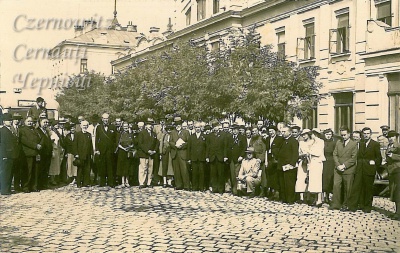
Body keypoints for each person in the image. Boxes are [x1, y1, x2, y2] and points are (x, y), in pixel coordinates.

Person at [347, 127, 381, 212]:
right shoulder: (360, 144)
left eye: (367, 133)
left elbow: (379, 158)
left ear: (370, 134)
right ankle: (356, 205)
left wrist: (374, 162)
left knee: (368, 188)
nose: (366, 135)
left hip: (369, 169)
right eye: (364, 133)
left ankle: (367, 206)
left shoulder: (375, 144)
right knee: (357, 187)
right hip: (359, 169)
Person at [330, 126, 358, 211]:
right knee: (336, 186)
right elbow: (334, 154)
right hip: (338, 169)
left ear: (349, 134)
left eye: (345, 135)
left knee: (347, 188)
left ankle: (346, 204)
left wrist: (344, 165)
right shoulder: (338, 142)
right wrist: (338, 165)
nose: (343, 137)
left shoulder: (353, 144)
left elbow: (353, 158)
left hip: (348, 169)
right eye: (342, 135)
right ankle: (336, 204)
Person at [277, 126, 299, 204]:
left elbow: (295, 154)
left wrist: (291, 164)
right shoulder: (282, 141)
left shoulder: (293, 141)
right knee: (282, 183)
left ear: (289, 132)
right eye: (282, 132)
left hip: (289, 166)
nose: (282, 133)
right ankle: (284, 198)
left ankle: (290, 199)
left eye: (284, 131)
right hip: (281, 165)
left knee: (289, 183)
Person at [19, 116, 41, 192]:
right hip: (27, 153)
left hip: (36, 153)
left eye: (31, 121)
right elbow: (24, 140)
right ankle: (25, 187)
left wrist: (40, 145)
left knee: (35, 171)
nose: (30, 123)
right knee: (28, 171)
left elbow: (40, 138)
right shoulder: (22, 130)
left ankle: (34, 186)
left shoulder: (35, 130)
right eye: (28, 121)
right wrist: (35, 146)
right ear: (25, 122)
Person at [95, 113, 117, 188]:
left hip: (110, 150)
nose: (105, 120)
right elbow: (96, 139)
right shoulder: (98, 127)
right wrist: (97, 149)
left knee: (110, 166)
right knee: (102, 166)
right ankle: (102, 182)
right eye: (104, 118)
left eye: (107, 118)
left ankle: (111, 182)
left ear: (109, 119)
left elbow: (116, 139)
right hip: (102, 149)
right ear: (102, 119)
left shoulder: (113, 127)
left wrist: (114, 149)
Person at [0, 114, 19, 195]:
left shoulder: (10, 130)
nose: (10, 121)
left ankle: (7, 189)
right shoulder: (2, 131)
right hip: (6, 156)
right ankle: (4, 190)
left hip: (12, 155)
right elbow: (2, 144)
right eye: (8, 120)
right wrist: (4, 155)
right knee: (5, 173)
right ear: (4, 122)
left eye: (11, 120)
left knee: (10, 173)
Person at [169, 117, 190, 190]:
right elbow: (170, 142)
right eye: (176, 124)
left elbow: (188, 142)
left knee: (184, 170)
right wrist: (175, 145)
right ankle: (179, 185)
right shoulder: (172, 132)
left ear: (181, 124)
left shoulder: (186, 132)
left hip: (183, 153)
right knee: (176, 170)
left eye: (179, 124)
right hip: (175, 153)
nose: (178, 125)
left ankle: (186, 185)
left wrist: (182, 146)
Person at [206, 121, 228, 194]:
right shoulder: (210, 135)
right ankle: (215, 188)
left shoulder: (223, 135)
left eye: (217, 126)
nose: (215, 128)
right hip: (212, 157)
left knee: (220, 173)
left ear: (219, 126)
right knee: (213, 173)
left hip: (220, 157)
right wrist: (207, 156)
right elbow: (208, 147)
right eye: (214, 126)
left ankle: (221, 189)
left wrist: (225, 156)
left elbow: (225, 146)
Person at [137, 119, 158, 188]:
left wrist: (154, 150)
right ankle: (142, 182)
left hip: (151, 154)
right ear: (146, 126)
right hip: (144, 153)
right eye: (149, 125)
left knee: (150, 169)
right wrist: (147, 150)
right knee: (143, 168)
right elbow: (140, 144)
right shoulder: (142, 133)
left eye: (151, 125)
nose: (150, 126)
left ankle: (149, 182)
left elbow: (157, 143)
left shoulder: (154, 134)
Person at [307, 129, 325, 207]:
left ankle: (319, 199)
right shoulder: (312, 142)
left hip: (317, 162)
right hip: (312, 163)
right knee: (313, 181)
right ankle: (315, 199)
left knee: (318, 181)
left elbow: (317, 153)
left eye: (312, 134)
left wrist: (309, 151)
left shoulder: (320, 141)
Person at [226, 123, 246, 196]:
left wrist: (241, 156)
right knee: (232, 174)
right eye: (233, 130)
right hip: (231, 158)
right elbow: (227, 147)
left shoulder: (242, 137)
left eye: (236, 130)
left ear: (238, 130)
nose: (234, 131)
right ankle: (234, 189)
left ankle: (238, 190)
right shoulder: (229, 137)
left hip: (238, 159)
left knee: (238, 174)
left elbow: (244, 148)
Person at [265, 125, 284, 200]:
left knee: (276, 177)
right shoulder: (267, 139)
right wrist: (266, 161)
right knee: (270, 177)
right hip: (270, 159)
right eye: (269, 131)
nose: (271, 133)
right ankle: (271, 192)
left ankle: (277, 194)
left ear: (275, 131)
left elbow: (281, 150)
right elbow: (267, 150)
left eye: (272, 131)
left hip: (276, 160)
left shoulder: (279, 139)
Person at [187, 122, 207, 191]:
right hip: (194, 158)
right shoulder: (191, 137)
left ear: (201, 128)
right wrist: (189, 158)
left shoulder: (204, 136)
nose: (197, 129)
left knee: (202, 173)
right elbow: (189, 148)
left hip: (202, 157)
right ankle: (194, 187)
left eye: (199, 127)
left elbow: (207, 147)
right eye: (196, 127)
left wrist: (206, 157)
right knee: (194, 173)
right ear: (194, 128)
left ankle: (201, 187)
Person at [386, 130, 400, 220]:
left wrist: (393, 156)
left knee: (398, 192)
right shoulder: (389, 146)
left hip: (398, 170)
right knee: (394, 192)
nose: (391, 138)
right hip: (391, 171)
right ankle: (396, 211)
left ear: (396, 137)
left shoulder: (398, 146)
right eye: (389, 137)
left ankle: (398, 213)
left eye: (392, 137)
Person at [74, 120, 93, 188]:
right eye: (83, 125)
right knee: (80, 169)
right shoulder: (77, 134)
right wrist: (76, 153)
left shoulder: (89, 134)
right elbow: (75, 144)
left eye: (86, 126)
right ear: (81, 126)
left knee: (87, 169)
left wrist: (91, 153)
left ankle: (86, 182)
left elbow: (90, 145)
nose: (85, 127)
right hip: (80, 154)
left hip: (87, 154)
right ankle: (79, 183)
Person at [295, 129, 312, 203]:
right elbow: (299, 153)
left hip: (310, 162)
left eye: (305, 134)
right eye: (303, 135)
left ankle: (308, 197)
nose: (304, 136)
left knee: (309, 179)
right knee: (301, 178)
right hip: (303, 162)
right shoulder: (301, 143)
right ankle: (301, 197)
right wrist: (302, 156)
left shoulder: (312, 142)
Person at [36, 118, 53, 190]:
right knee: (40, 169)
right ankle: (39, 184)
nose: (46, 124)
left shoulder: (47, 131)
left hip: (47, 154)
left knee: (46, 169)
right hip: (41, 153)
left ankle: (44, 184)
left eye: (47, 122)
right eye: (44, 122)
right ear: (40, 123)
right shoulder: (37, 131)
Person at [116, 122, 134, 188]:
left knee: (128, 166)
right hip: (122, 152)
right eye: (124, 126)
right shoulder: (120, 134)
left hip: (128, 152)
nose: (126, 128)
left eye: (127, 126)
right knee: (122, 167)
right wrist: (123, 148)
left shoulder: (130, 134)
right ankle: (123, 182)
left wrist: (130, 147)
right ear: (122, 127)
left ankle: (127, 182)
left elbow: (133, 143)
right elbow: (118, 143)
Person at [249, 127, 266, 196]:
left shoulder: (262, 139)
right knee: (254, 175)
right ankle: (255, 191)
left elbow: (264, 150)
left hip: (261, 160)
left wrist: (260, 159)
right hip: (254, 160)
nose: (254, 132)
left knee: (262, 176)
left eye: (255, 131)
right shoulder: (252, 139)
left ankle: (263, 192)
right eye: (253, 131)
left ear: (258, 131)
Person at [322, 128, 337, 204]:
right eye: (327, 134)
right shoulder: (322, 142)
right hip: (323, 161)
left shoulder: (334, 143)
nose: (328, 136)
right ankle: (324, 196)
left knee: (330, 178)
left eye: (330, 134)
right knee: (323, 178)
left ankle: (329, 196)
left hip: (331, 162)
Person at [11, 113, 25, 193]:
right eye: (15, 119)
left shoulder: (20, 128)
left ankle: (17, 186)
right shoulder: (10, 128)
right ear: (13, 120)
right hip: (11, 152)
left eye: (18, 119)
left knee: (17, 171)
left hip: (19, 153)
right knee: (10, 171)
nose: (17, 120)